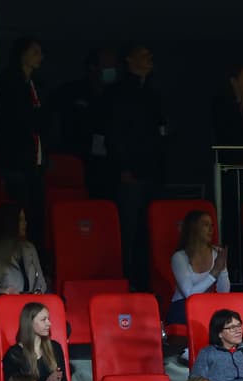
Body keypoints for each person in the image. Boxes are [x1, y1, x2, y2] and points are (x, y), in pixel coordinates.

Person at [103, 43, 167, 291]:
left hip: (153, 172)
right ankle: (128, 285)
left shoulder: (152, 92)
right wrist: (123, 168)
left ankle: (148, 285)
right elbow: (114, 134)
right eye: (144, 54)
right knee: (129, 232)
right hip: (130, 173)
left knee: (151, 233)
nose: (149, 58)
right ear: (129, 60)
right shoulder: (117, 93)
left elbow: (160, 131)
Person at [0, 37, 47, 247]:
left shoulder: (36, 84)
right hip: (17, 162)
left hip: (35, 162)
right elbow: (21, 120)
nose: (40, 57)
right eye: (35, 51)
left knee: (36, 217)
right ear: (22, 55)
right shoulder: (11, 83)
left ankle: (37, 265)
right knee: (21, 216)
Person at [52, 48, 118, 199]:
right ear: (93, 67)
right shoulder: (71, 91)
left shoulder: (117, 95)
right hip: (75, 160)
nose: (112, 70)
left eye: (114, 66)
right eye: (107, 66)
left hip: (108, 164)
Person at [168, 210, 230, 325]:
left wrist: (223, 268)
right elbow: (189, 295)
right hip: (183, 307)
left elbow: (224, 293)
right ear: (194, 229)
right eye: (206, 225)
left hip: (207, 306)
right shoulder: (179, 257)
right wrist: (215, 271)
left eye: (212, 225)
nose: (211, 229)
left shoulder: (216, 253)